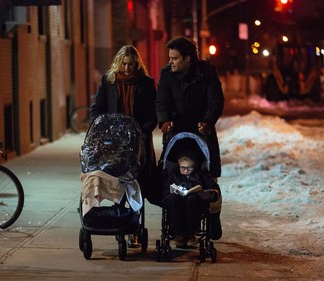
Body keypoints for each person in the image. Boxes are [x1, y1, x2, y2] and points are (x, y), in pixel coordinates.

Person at [155, 36, 224, 239]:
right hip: (176, 131)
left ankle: (213, 214)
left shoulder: (207, 72)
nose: (171, 62)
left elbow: (216, 100)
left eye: (175, 58)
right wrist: (164, 121)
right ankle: (179, 225)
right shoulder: (167, 74)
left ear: (188, 59)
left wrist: (208, 121)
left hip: (202, 130)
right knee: (175, 174)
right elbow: (161, 101)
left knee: (208, 175)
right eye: (170, 58)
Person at [90, 45, 158, 248]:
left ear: (137, 63)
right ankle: (119, 224)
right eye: (124, 63)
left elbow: (153, 114)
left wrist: (141, 130)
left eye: (131, 64)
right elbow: (97, 108)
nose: (127, 68)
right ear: (118, 63)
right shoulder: (108, 81)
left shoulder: (146, 84)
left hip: (138, 142)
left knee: (137, 185)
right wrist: (101, 127)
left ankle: (135, 229)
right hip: (114, 142)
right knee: (117, 183)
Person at [162, 152, 222, 248]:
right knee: (173, 199)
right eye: (183, 168)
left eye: (189, 168)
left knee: (191, 199)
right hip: (177, 203)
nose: (186, 171)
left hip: (194, 204)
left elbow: (214, 188)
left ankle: (191, 233)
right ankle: (178, 233)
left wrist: (208, 193)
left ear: (194, 166)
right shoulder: (174, 175)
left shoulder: (201, 174)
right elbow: (165, 191)